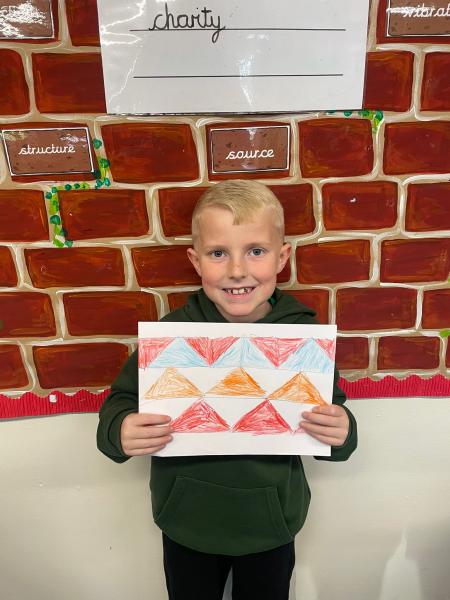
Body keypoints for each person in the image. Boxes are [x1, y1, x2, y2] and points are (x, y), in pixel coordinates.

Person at [97, 179, 357, 600]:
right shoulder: (170, 336)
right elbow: (120, 403)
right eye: (218, 253)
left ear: (282, 257)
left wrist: (342, 430)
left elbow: (336, 416)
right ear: (196, 261)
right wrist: (120, 429)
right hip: (185, 521)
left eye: (256, 251)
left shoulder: (303, 338)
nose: (237, 270)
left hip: (271, 523)